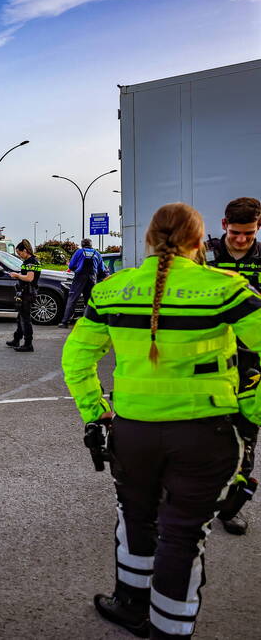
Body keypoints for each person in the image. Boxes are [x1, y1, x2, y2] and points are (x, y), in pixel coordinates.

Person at [62, 202, 261, 638]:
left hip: (132, 433)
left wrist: (96, 413)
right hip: (205, 435)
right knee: (183, 536)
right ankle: (169, 631)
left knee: (133, 516)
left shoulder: (112, 289)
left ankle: (131, 604)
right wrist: (249, 414)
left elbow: (76, 358)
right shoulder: (227, 289)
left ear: (148, 239)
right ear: (199, 240)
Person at [206, 196, 261, 535]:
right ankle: (189, 497)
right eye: (236, 232)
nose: (242, 239)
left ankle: (231, 507)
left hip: (250, 359)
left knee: (246, 430)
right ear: (225, 224)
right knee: (200, 428)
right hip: (207, 356)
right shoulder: (204, 254)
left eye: (249, 234)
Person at [59, 238, 105, 327]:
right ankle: (91, 322)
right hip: (92, 278)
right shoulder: (97, 253)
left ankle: (65, 322)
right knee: (90, 301)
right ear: (91, 245)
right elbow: (101, 269)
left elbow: (71, 266)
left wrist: (76, 269)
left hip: (80, 277)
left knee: (72, 299)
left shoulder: (79, 252)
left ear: (82, 244)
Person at [5, 239, 40, 352]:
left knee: (25, 319)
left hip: (27, 293)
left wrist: (17, 275)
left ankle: (28, 344)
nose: (19, 256)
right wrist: (20, 275)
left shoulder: (30, 262)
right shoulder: (32, 261)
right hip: (27, 292)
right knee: (21, 318)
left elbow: (30, 278)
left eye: (20, 253)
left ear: (25, 250)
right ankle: (16, 339)